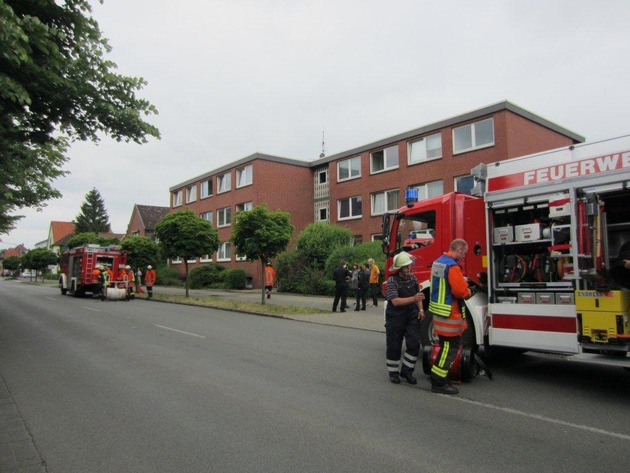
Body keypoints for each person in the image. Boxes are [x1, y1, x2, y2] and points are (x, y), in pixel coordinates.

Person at [428, 238, 472, 395]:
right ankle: (438, 382)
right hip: (449, 314)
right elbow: (460, 291)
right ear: (459, 248)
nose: (464, 256)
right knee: (449, 349)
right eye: (464, 253)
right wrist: (468, 291)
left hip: (439, 313)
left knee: (444, 348)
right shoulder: (452, 266)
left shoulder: (438, 262)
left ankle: (440, 378)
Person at [385, 251, 425, 384]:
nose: (409, 268)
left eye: (409, 265)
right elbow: (395, 301)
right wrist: (413, 299)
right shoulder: (392, 281)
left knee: (414, 343)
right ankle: (393, 372)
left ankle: (407, 371)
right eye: (407, 266)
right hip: (395, 317)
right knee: (394, 345)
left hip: (411, 315)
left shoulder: (413, 278)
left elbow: (418, 295)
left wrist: (420, 309)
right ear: (400, 268)